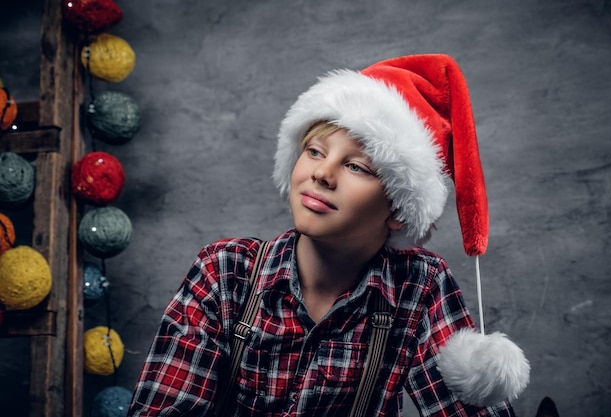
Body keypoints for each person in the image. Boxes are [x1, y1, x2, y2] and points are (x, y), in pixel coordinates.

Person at [127, 54, 529, 417]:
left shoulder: (418, 288)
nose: (322, 173)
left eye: (356, 167)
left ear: (398, 210)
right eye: (315, 151)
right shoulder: (226, 271)